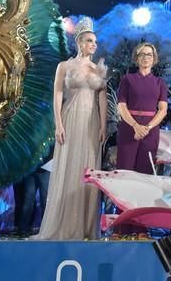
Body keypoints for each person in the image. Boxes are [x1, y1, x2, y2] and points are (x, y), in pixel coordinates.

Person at [34, 17, 106, 240]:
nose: (93, 44)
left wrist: (103, 125)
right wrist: (58, 123)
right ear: (79, 42)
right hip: (70, 117)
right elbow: (57, 93)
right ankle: (64, 224)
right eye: (88, 40)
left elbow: (102, 98)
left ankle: (85, 226)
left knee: (87, 169)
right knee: (68, 168)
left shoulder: (98, 69)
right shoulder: (64, 66)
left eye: (94, 41)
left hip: (91, 121)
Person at [116, 42, 169, 174]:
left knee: (146, 171)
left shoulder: (160, 83)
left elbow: (163, 110)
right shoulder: (127, 79)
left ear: (154, 59)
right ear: (137, 58)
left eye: (149, 55)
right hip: (129, 129)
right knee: (125, 170)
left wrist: (148, 128)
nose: (146, 57)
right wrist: (135, 126)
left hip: (150, 132)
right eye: (142, 54)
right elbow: (121, 106)